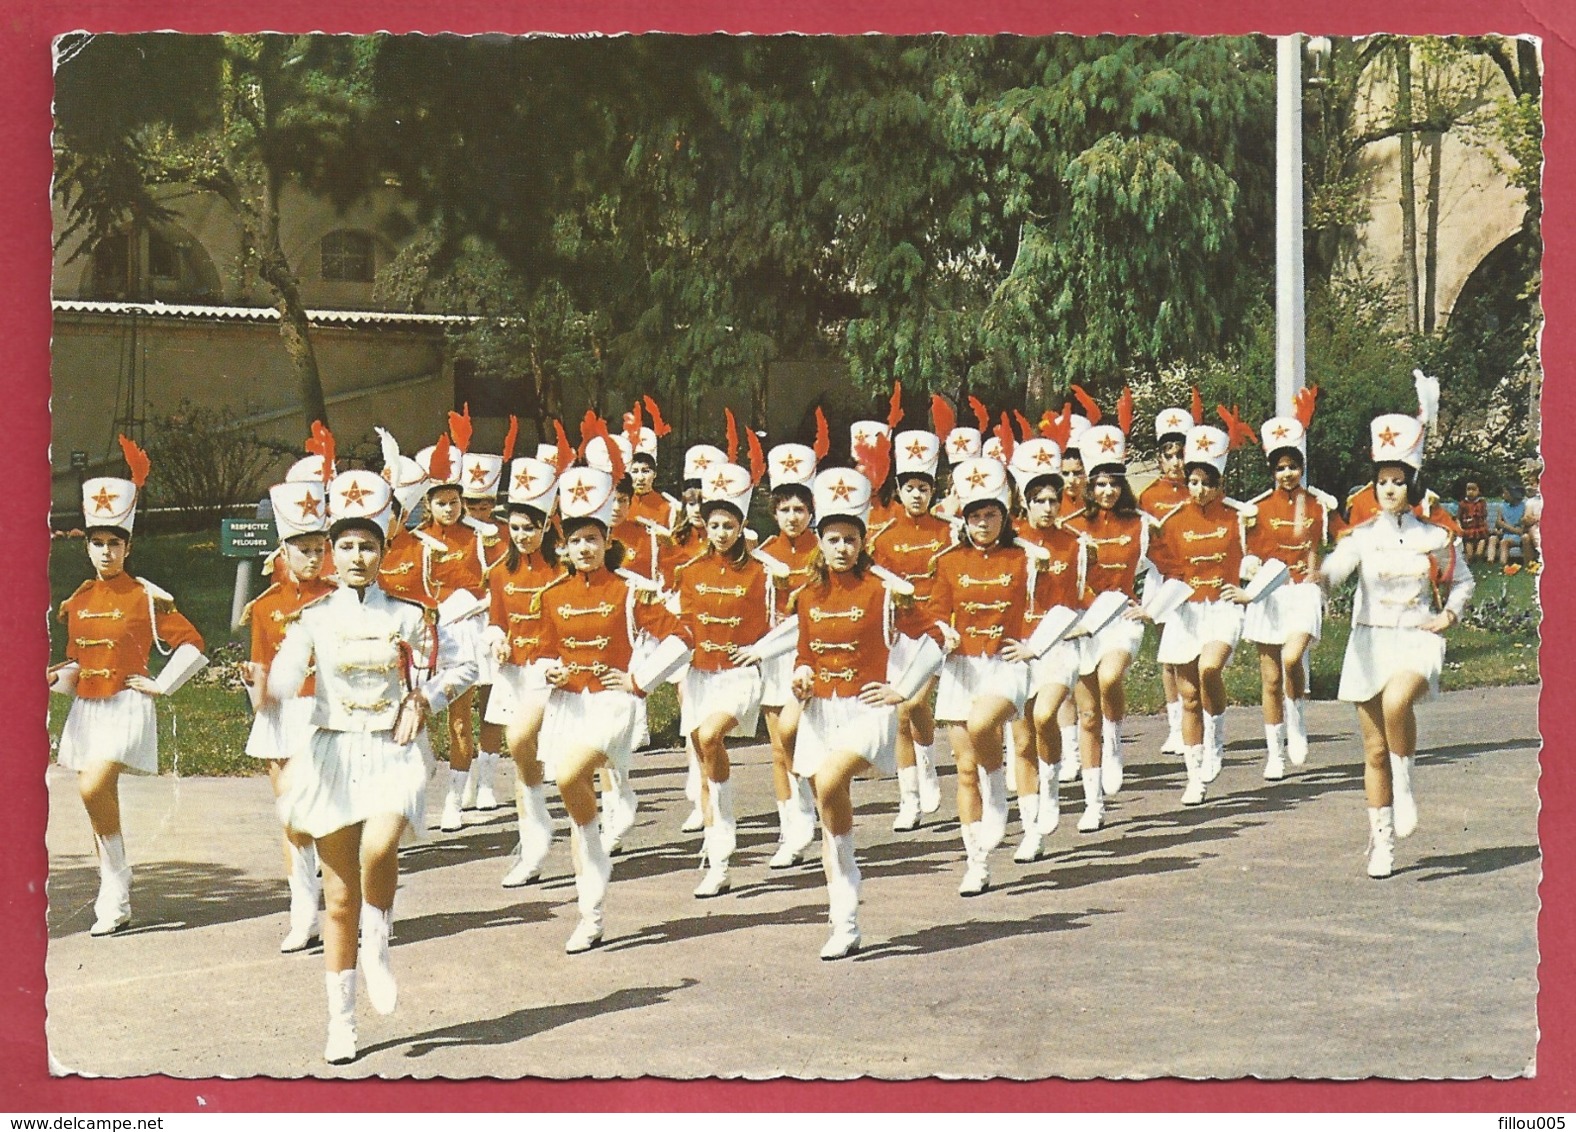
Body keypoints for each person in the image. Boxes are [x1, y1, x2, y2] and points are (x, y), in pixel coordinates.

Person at [265, 468, 477, 1064]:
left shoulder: (410, 613)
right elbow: (286, 673)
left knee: (379, 848)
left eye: (368, 545)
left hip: (393, 746)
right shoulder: (312, 616)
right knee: (337, 899)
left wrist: (423, 699)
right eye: (346, 546)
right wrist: (273, 676)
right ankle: (342, 1022)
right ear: (331, 553)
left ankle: (378, 945)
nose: (357, 556)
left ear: (385, 549)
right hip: (332, 749)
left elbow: (460, 667)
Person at [536, 459, 694, 952]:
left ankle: (599, 843)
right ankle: (592, 909)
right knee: (576, 806)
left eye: (592, 539)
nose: (583, 548)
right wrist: (550, 671)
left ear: (607, 542)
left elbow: (683, 639)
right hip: (568, 705)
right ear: (563, 545)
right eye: (575, 540)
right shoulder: (553, 594)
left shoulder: (629, 591)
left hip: (612, 704)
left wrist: (638, 679)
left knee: (568, 778)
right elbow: (542, 650)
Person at [51, 437, 207, 937]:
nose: (105, 552)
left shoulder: (145, 596)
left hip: (126, 707)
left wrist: (162, 684)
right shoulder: (76, 600)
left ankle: (116, 882)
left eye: (114, 543)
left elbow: (195, 645)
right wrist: (56, 678)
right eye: (97, 543)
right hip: (88, 711)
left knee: (94, 785)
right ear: (88, 545)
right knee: (93, 796)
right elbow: (79, 664)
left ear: (128, 546)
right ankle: (114, 890)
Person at [1312, 402, 1474, 878]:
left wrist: (1450, 614)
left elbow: (1462, 581)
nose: (1388, 489)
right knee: (1374, 749)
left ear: (1413, 485)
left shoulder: (1436, 536)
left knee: (1397, 702)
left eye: (1398, 480)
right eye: (1382, 480)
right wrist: (1318, 578)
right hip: (1369, 642)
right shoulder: (1361, 536)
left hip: (1418, 636)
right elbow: (1337, 569)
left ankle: (1405, 788)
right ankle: (1381, 842)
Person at [787, 467, 941, 958]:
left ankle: (846, 896)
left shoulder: (885, 592)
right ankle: (845, 916)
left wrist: (902, 689)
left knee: (831, 781)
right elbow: (804, 651)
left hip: (866, 707)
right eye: (832, 539)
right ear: (820, 542)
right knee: (833, 818)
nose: (842, 548)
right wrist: (801, 675)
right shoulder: (807, 595)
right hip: (820, 710)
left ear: (862, 541)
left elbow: (938, 640)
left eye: (850, 539)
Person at [240, 456, 337, 953]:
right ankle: (304, 915)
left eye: (319, 548)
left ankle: (348, 906)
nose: (313, 557)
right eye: (303, 549)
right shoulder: (264, 606)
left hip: (328, 715)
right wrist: (254, 688)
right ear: (284, 550)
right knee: (293, 820)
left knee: (334, 817)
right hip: (283, 717)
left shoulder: (342, 596)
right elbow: (260, 667)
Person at [928, 455, 1033, 895]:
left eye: (990, 514)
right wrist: (943, 628)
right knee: (963, 767)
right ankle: (977, 863)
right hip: (962, 666)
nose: (982, 523)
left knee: (983, 725)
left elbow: (1045, 607)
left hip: (1007, 662)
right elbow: (933, 609)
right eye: (974, 516)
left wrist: (1032, 644)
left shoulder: (1024, 557)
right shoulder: (949, 561)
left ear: (1004, 516)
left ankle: (998, 794)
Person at [672, 455, 773, 896]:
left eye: (729, 526)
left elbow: (786, 620)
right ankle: (718, 856)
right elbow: (682, 625)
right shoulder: (690, 571)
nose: (721, 533)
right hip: (700, 676)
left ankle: (725, 835)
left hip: (739, 676)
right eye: (714, 526)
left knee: (711, 737)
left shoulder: (762, 571)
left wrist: (760, 650)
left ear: (741, 526)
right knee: (704, 750)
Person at [1147, 416, 1255, 805]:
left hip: (1222, 606)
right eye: (1193, 481)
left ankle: (1218, 735)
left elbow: (1259, 555)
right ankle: (1194, 776)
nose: (1198, 489)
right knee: (1189, 694)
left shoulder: (1239, 516)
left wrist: (1249, 583)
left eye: (1207, 482)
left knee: (1210, 668)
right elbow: (1162, 569)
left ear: (1220, 483)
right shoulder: (1171, 521)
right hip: (1186, 611)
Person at [482, 451, 568, 887]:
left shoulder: (563, 567)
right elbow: (497, 617)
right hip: (514, 670)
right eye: (514, 528)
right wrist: (495, 637)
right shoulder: (500, 571)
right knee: (521, 761)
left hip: (551, 670)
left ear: (545, 525)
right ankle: (532, 843)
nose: (521, 536)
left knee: (520, 741)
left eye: (529, 528)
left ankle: (557, 826)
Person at [1005, 435, 1093, 857]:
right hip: (1014, 647)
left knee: (1045, 716)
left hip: (1056, 644)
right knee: (1021, 742)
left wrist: (1080, 623)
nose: (1047, 507)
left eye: (1052, 500)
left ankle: (1053, 787)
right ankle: (1030, 830)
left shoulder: (1074, 543)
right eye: (1038, 499)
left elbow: (1081, 597)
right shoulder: (1010, 542)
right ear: (1024, 502)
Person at [1241, 400, 1336, 778]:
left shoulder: (1315, 504)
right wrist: (1251, 570)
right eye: (1280, 468)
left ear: (1302, 468)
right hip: (1270, 594)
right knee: (1270, 677)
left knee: (1293, 658)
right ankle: (1274, 753)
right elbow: (1248, 552)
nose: (1287, 474)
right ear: (1272, 471)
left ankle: (1297, 719)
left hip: (1301, 591)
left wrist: (1316, 576)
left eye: (1293, 466)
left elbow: (1314, 545)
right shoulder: (1257, 508)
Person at [870, 406, 953, 832]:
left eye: (924, 487)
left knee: (912, 704)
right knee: (903, 712)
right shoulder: (881, 536)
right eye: (910, 488)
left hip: (938, 633)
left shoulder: (949, 532)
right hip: (899, 634)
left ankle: (922, 781)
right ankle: (915, 786)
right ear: (898, 490)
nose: (917, 495)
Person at [1064, 415, 1151, 821]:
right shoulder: (1071, 528)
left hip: (1122, 616)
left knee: (1110, 678)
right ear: (1087, 486)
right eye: (1099, 483)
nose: (1107, 490)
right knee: (1085, 714)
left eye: (1114, 483)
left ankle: (1115, 736)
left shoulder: (1140, 524)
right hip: (1083, 622)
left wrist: (1150, 606)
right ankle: (1093, 802)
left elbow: (1172, 568)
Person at [414, 420, 498, 832]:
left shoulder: (481, 535)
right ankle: (436, 789)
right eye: (440, 503)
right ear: (427, 504)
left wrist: (481, 602)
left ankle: (463, 794)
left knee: (477, 712)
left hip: (474, 628)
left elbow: (497, 580)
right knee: (434, 713)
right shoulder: (416, 539)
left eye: (454, 501)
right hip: (435, 632)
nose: (448, 509)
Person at [755, 426, 826, 867]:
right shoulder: (762, 552)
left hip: (817, 656)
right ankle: (792, 829)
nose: (793, 517)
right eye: (785, 509)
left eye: (800, 509)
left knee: (807, 738)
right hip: (775, 657)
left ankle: (824, 816)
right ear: (774, 512)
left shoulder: (828, 548)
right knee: (779, 746)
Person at [454, 411, 513, 812]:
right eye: (472, 503)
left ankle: (487, 782)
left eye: (487, 502)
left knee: (494, 702)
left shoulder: (507, 531)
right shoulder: (445, 535)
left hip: (493, 621)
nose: (480, 510)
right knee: (459, 707)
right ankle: (458, 787)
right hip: (457, 626)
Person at [1139, 402, 1196, 757]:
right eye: (1169, 455)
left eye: (1181, 454)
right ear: (1159, 458)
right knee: (1168, 655)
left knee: (1195, 652)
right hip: (1163, 579)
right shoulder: (1149, 496)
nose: (1176, 462)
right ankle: (1176, 725)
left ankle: (1198, 716)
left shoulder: (1201, 488)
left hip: (1197, 581)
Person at [1491, 481, 1528, 567]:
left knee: (1504, 542)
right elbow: (1498, 522)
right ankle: (1490, 562)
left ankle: (1503, 565)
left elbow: (1520, 531)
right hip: (1505, 534)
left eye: (1505, 492)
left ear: (1512, 494)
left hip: (1516, 537)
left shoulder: (1524, 507)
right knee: (1493, 539)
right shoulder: (1502, 506)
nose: (1503, 495)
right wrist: (1498, 530)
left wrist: (1504, 525)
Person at [1456, 480, 1490, 561]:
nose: (1471, 492)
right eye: (1468, 489)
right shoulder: (1462, 503)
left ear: (1478, 491)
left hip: (1480, 529)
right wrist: (1459, 527)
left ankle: (1479, 558)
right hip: (1468, 530)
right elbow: (1458, 517)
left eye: (1474, 489)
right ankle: (1469, 560)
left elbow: (1484, 515)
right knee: (1470, 556)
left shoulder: (1481, 502)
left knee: (1479, 552)